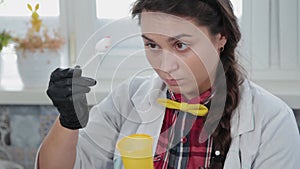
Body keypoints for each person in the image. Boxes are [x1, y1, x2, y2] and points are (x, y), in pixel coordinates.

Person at [36, 0, 300, 169]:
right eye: (152, 45)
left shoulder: (272, 120)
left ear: (221, 38)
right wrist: (68, 121)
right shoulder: (127, 99)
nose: (164, 65)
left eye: (180, 45)